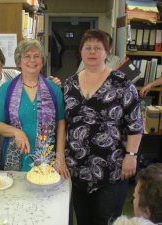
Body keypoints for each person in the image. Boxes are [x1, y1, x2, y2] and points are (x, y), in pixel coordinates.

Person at [63, 29, 143, 225]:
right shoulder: (68, 85)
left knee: (106, 220)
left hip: (112, 169)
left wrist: (131, 156)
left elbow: (136, 124)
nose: (92, 52)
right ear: (80, 52)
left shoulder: (122, 84)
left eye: (97, 48)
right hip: (76, 169)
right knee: (83, 220)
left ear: (106, 53)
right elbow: (63, 123)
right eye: (87, 48)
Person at [0, 42, 61, 170]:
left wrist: (51, 82)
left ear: (1, 62)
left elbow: (32, 78)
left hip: (18, 151)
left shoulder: (13, 76)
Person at [0, 39, 70, 179]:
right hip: (17, 159)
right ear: (19, 61)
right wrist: (16, 132)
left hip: (48, 159)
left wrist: (60, 157)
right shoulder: (6, 89)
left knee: (46, 196)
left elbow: (61, 123)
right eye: (27, 56)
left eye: (36, 56)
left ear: (42, 60)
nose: (32, 60)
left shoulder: (54, 89)